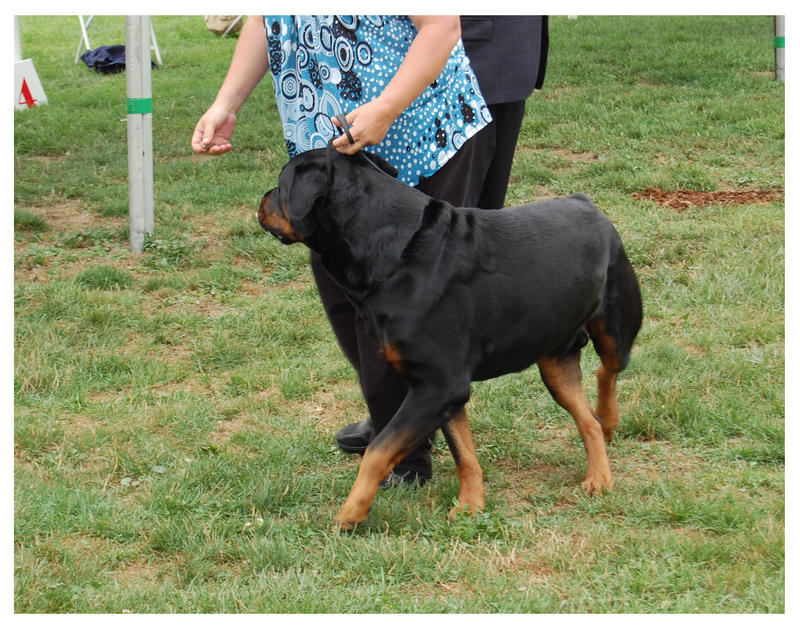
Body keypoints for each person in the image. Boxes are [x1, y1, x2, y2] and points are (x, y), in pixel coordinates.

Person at [193, 15, 493, 486]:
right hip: (330, 147)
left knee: (400, 304)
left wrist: (388, 107)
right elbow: (265, 19)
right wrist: (226, 102)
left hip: (422, 128)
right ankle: (395, 413)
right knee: (343, 293)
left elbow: (442, 25)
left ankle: (406, 453)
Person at [333, 16, 550, 483]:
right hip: (409, 61)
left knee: (440, 272)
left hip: (478, 61)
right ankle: (393, 410)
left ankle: (409, 432)